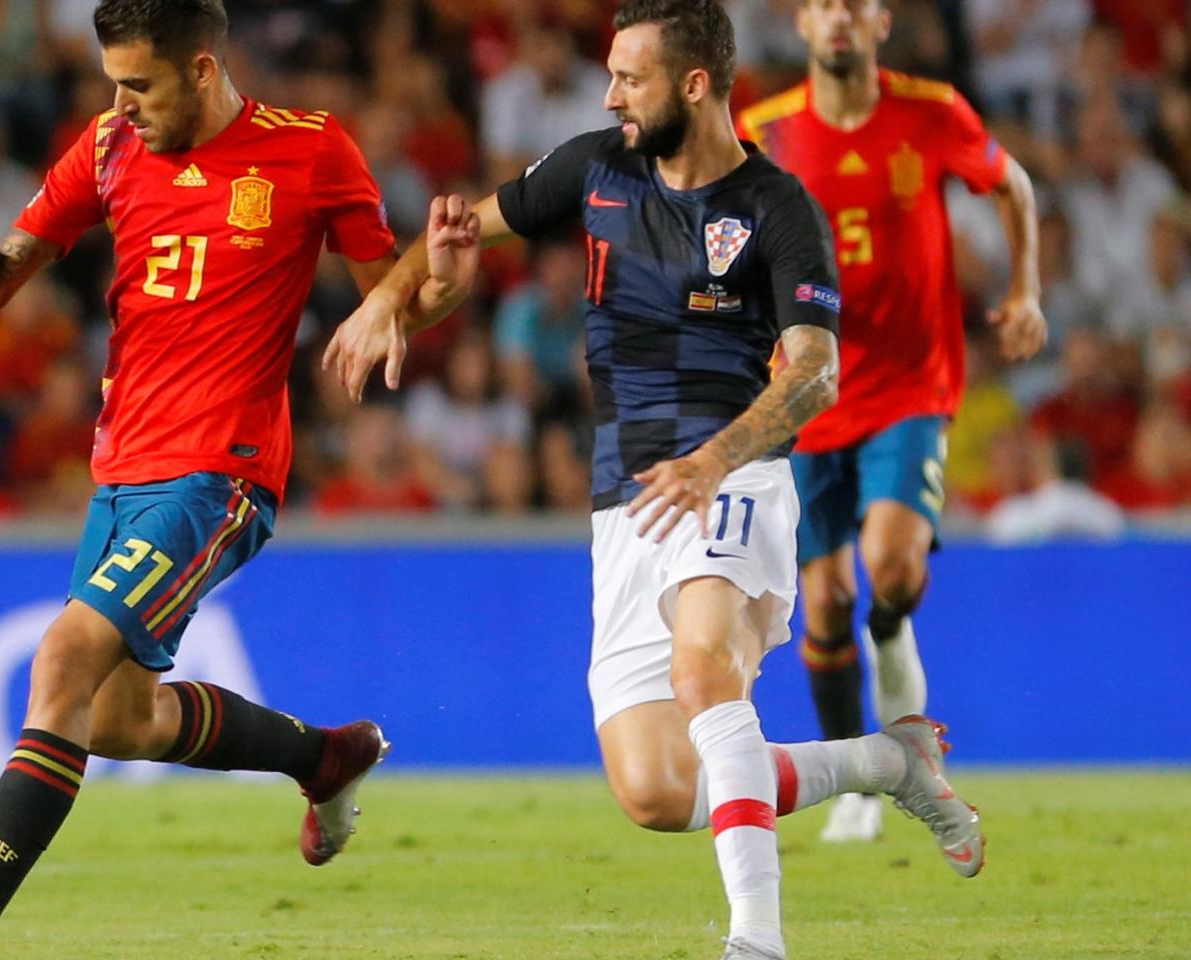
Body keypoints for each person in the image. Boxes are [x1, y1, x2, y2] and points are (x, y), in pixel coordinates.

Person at [326, 3, 983, 957]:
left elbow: (813, 370)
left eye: (629, 79)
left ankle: (756, 940)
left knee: (703, 666)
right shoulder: (595, 167)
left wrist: (718, 458)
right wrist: (399, 297)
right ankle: (890, 759)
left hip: (736, 478)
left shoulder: (776, 207)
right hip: (624, 499)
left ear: (693, 85)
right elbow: (463, 232)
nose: (609, 95)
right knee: (657, 791)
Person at [0, 2, 430, 956]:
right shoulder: (110, 147)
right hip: (122, 467)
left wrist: (422, 284)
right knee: (121, 718)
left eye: (140, 85)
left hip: (221, 472)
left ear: (203, 69)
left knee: (62, 661)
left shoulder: (311, 150)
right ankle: (324, 757)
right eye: (114, 84)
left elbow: (396, 296)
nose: (121, 104)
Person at [736, 0, 1045, 842]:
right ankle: (864, 786)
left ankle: (893, 629)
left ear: (881, 23)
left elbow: (1012, 183)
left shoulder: (932, 114)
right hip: (807, 396)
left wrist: (1023, 291)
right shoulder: (762, 131)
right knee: (824, 602)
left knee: (892, 566)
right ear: (801, 24)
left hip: (911, 387)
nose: (839, 18)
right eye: (823, 5)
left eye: (855, 5)